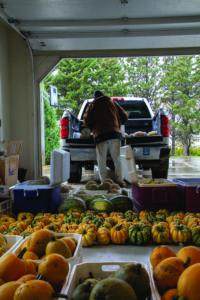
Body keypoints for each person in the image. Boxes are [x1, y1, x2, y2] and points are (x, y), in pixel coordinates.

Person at [83, 90, 128, 187]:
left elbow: (86, 121)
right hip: (114, 134)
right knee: (117, 159)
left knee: (101, 159)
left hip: (100, 135)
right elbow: (125, 116)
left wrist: (93, 127)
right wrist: (118, 124)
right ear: (104, 96)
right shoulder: (112, 102)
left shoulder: (92, 105)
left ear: (95, 98)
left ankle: (104, 182)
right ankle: (120, 181)